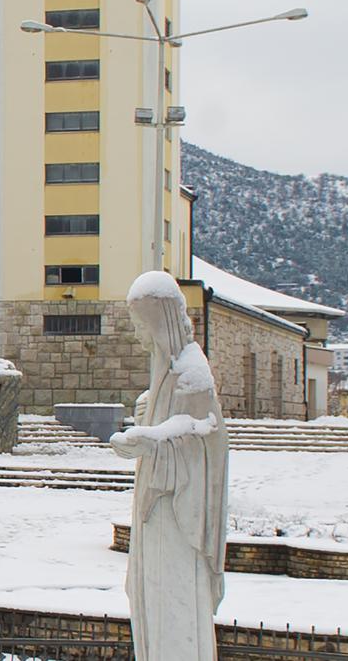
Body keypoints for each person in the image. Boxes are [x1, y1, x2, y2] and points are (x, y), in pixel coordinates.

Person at [110, 271, 229, 661]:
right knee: (152, 597)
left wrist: (152, 438)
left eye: (142, 326)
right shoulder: (164, 371)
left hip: (177, 520)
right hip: (157, 514)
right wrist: (150, 421)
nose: (139, 336)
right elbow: (174, 420)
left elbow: (201, 431)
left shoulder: (191, 372)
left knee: (172, 601)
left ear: (161, 322)